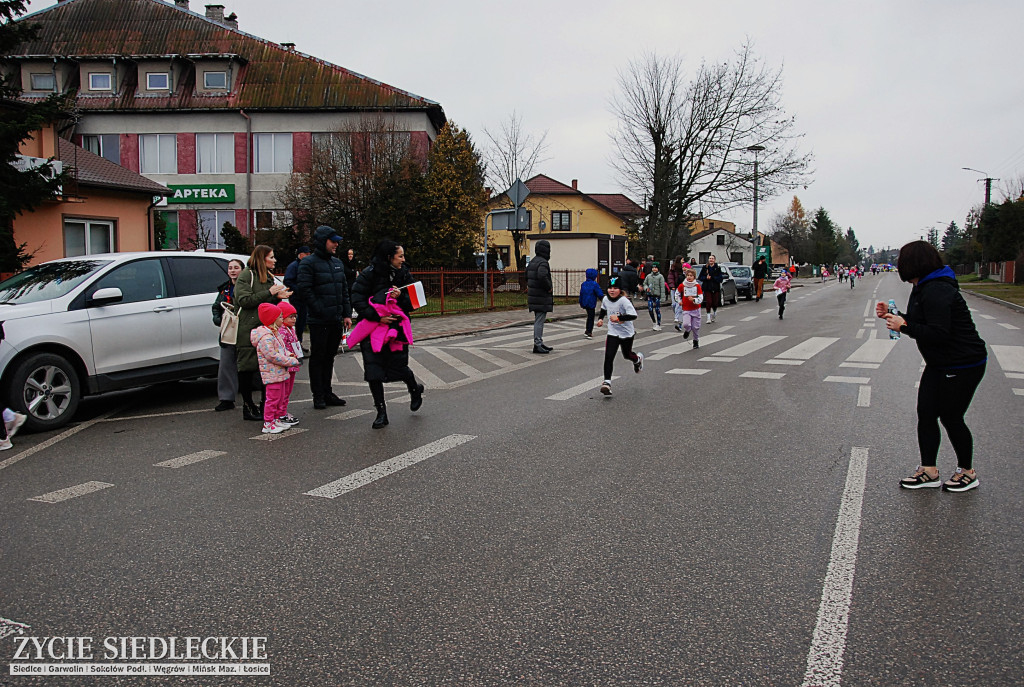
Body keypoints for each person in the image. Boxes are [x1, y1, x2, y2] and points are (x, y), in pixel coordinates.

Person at [878, 241, 987, 493]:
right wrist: (894, 314)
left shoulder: (937, 289)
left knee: (951, 417)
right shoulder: (923, 286)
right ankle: (929, 471)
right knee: (926, 413)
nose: (899, 265)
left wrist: (904, 326)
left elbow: (939, 333)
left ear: (913, 263)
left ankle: (967, 472)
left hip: (963, 362)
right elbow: (922, 321)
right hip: (940, 362)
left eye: (902, 260)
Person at [351, 240, 424, 430]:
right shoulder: (369, 274)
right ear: (389, 257)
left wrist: (401, 298)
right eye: (400, 256)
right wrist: (377, 316)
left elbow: (415, 301)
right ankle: (381, 413)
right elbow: (357, 298)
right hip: (372, 328)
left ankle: (414, 389)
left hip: (396, 329)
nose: (403, 259)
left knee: (398, 367)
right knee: (373, 372)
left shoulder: (404, 274)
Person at [296, 225, 352, 410]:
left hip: (335, 319)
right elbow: (305, 290)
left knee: (330, 357)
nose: (336, 244)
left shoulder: (337, 263)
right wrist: (319, 309)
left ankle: (328, 392)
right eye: (333, 241)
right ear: (322, 242)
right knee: (318, 358)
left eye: (337, 241)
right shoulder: (308, 263)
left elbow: (344, 290)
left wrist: (346, 313)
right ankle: (318, 394)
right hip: (319, 321)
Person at [235, 245, 291, 421]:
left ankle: (265, 405)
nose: (274, 260)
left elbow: (266, 303)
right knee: (247, 368)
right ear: (262, 258)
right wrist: (269, 292)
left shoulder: (269, 277)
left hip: (267, 329)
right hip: (248, 330)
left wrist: (277, 296)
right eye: (271, 257)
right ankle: (248, 406)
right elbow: (244, 300)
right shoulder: (247, 275)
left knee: (267, 369)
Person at [250, 303, 300, 435]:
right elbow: (272, 355)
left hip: (280, 372)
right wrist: (290, 361)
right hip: (272, 374)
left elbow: (280, 350)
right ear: (272, 319)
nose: (282, 319)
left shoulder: (275, 334)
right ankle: (268, 423)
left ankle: (276, 419)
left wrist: (288, 354)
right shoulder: (266, 337)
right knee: (272, 399)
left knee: (280, 397)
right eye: (280, 317)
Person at [595, 276, 643, 396]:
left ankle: (637, 359)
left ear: (620, 290)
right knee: (609, 356)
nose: (612, 290)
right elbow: (603, 309)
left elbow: (633, 315)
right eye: (610, 288)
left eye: (615, 288)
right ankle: (607, 383)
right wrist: (600, 319)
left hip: (626, 333)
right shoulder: (605, 299)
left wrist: (619, 318)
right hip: (613, 332)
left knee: (627, 355)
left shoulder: (624, 301)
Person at [212, 258, 244, 412]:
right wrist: (218, 320)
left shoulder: (246, 287)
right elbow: (216, 307)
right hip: (229, 331)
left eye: (236, 267)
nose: (232, 270)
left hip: (244, 330)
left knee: (248, 365)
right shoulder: (224, 289)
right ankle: (226, 398)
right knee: (226, 365)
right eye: (230, 268)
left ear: (243, 270)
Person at [276, 301, 302, 427]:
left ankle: (283, 411)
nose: (294, 319)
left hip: (292, 364)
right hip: (286, 365)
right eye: (290, 317)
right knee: (284, 391)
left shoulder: (290, 329)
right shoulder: (282, 331)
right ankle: (281, 413)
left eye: (295, 316)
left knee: (288, 390)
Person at [526, 239, 553, 354]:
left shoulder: (533, 261)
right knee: (539, 321)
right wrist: (548, 287)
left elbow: (526, 275)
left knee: (539, 319)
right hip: (541, 296)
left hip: (534, 295)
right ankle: (537, 344)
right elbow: (542, 275)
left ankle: (539, 342)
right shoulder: (543, 262)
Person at [282, 246, 311, 344]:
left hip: (305, 298)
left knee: (302, 321)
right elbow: (287, 280)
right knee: (297, 321)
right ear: (300, 255)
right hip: (296, 298)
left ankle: (299, 342)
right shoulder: (293, 266)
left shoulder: (307, 265)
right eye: (306, 254)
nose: (308, 256)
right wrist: (298, 289)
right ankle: (294, 342)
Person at [676, 268, 704, 348]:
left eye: (691, 276)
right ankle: (687, 330)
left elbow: (701, 297)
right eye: (688, 275)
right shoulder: (682, 285)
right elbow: (677, 294)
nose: (689, 277)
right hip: (686, 308)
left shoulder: (697, 286)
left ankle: (695, 341)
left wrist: (694, 300)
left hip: (695, 309)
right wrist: (679, 301)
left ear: (694, 277)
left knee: (695, 327)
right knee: (686, 324)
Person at [578, 268, 604, 339]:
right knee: (591, 317)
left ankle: (587, 330)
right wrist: (603, 300)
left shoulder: (584, 284)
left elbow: (581, 294)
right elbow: (599, 293)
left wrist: (581, 302)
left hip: (584, 302)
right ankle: (589, 331)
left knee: (589, 316)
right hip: (591, 302)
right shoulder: (595, 284)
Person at [697, 255, 724, 323]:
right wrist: (706, 278)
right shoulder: (705, 268)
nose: (711, 260)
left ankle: (714, 313)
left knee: (715, 303)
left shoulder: (717, 268)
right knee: (708, 302)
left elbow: (720, 279)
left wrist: (713, 277)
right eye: (710, 258)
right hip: (707, 288)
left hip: (715, 288)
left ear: (714, 260)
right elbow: (700, 277)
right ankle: (708, 317)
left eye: (712, 258)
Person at [642, 262, 667, 331]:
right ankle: (654, 322)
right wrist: (646, 288)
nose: (654, 269)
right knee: (650, 309)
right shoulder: (648, 276)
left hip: (657, 295)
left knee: (657, 310)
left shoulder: (660, 276)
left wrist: (663, 297)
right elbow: (644, 283)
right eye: (653, 268)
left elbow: (662, 287)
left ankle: (658, 324)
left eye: (656, 268)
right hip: (650, 295)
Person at [666, 256, 686, 328]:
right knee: (674, 304)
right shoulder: (673, 268)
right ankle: (677, 317)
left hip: (681, 289)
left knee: (679, 304)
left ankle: (678, 320)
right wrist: (672, 286)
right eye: (682, 260)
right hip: (674, 288)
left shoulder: (684, 270)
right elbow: (670, 278)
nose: (683, 261)